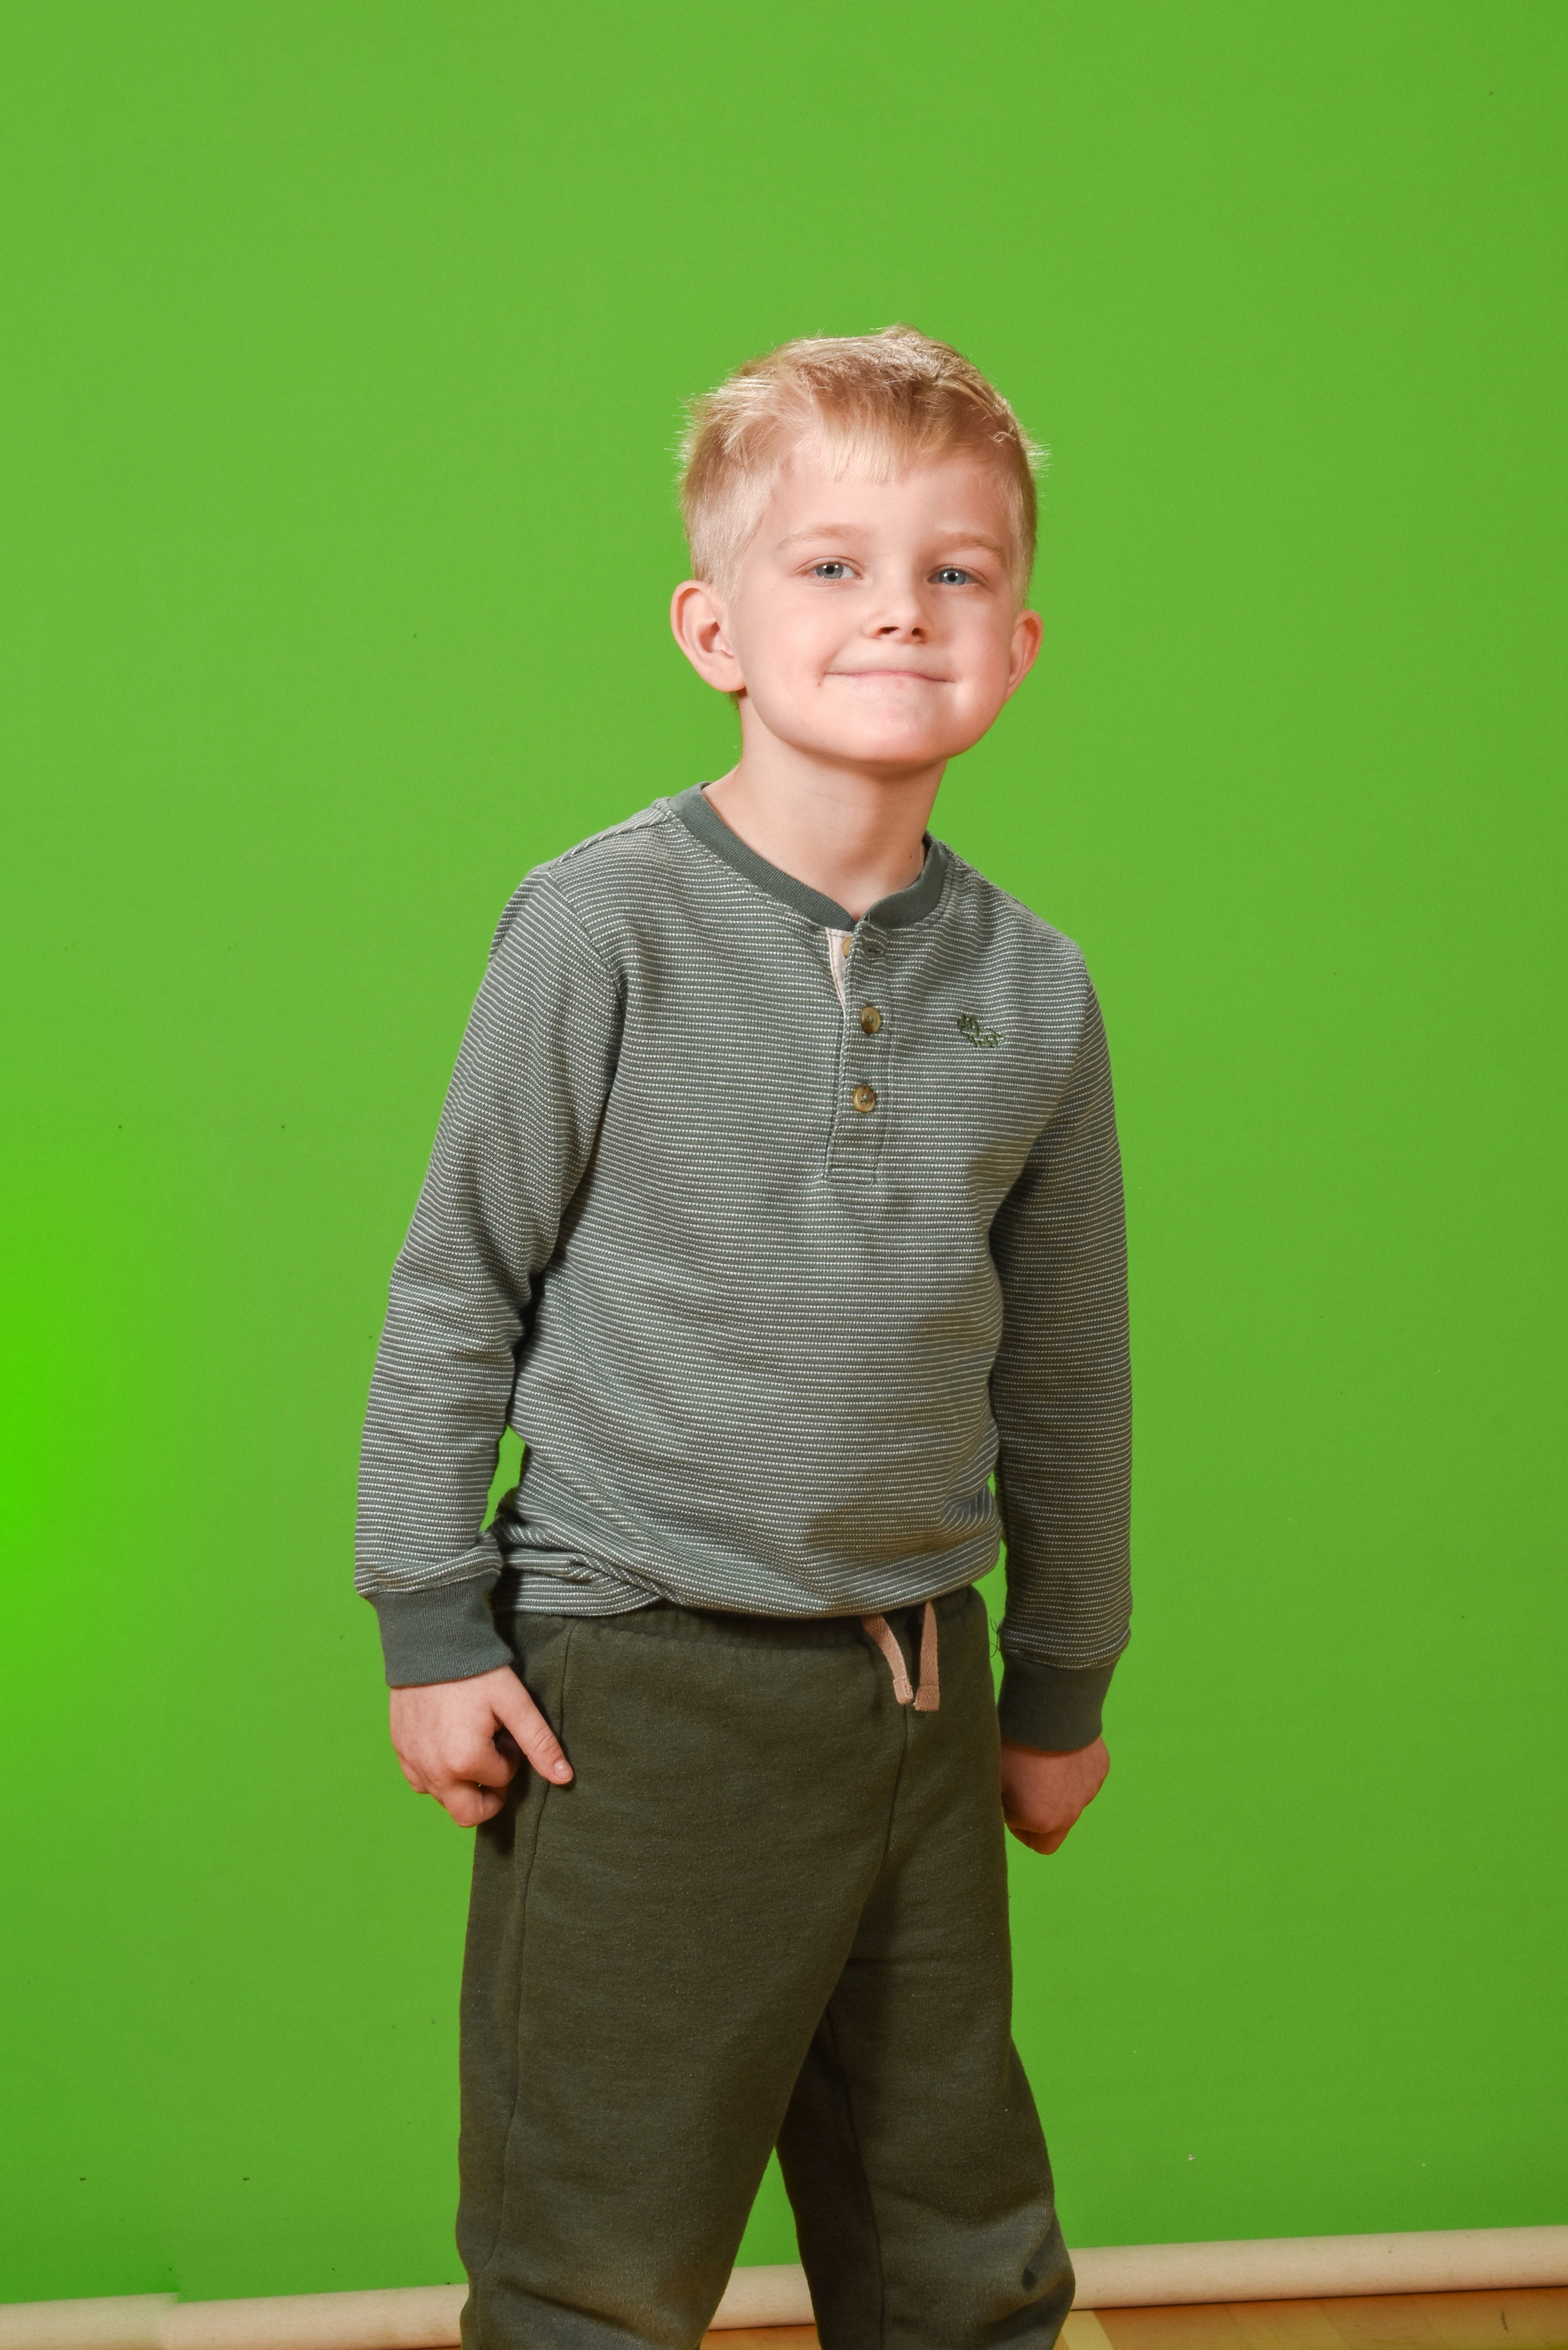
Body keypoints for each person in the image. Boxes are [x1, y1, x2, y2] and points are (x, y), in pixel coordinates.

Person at [356, 325, 1131, 2350]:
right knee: (600, 2258)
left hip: (918, 1685)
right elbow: (459, 1282)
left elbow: (1065, 1367)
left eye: (954, 571)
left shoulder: (1039, 991)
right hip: (639, 1682)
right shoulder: (597, 927)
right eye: (834, 565)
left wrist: (1057, 1673)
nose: (900, 609)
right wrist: (431, 1620)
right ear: (715, 628)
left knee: (962, 2244)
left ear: (1018, 644)